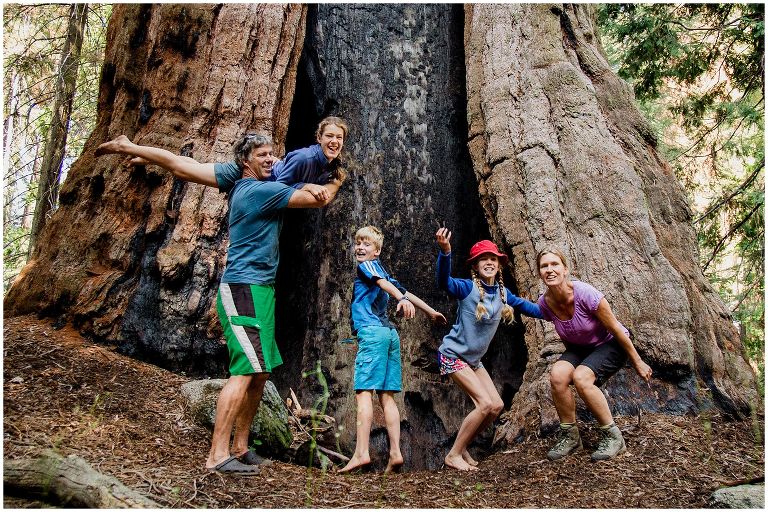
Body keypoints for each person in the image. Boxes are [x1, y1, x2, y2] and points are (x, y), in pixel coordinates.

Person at [96, 133, 346, 474]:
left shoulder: (242, 177)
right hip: (244, 289)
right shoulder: (259, 191)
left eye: (272, 154)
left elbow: (183, 166)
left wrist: (139, 151)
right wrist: (335, 181)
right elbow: (317, 201)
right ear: (245, 162)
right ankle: (217, 455)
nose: (271, 159)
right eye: (262, 155)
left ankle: (241, 446)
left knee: (260, 372)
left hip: (261, 289)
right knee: (243, 372)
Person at [340, 226, 446, 474]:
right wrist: (430, 311)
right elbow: (403, 290)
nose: (360, 247)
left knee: (364, 393)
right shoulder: (382, 272)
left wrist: (402, 299)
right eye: (358, 243)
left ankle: (361, 453)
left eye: (366, 244)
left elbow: (392, 289)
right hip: (390, 335)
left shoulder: (368, 267)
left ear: (376, 251)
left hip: (372, 333)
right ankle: (396, 453)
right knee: (386, 396)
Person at [434, 227, 543, 471]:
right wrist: (445, 252)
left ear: (499, 264)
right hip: (452, 355)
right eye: (483, 259)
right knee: (483, 404)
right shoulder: (467, 288)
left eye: (493, 258)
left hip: (474, 361)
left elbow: (531, 309)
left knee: (495, 406)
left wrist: (560, 310)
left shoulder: (503, 294)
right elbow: (443, 282)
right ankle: (453, 455)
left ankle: (462, 447)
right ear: (475, 266)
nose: (489, 262)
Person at [536, 247, 652, 461]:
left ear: (565, 269)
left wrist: (638, 361)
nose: (550, 270)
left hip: (611, 343)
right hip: (580, 348)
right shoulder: (545, 303)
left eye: (555, 264)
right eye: (544, 266)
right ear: (540, 273)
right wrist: (572, 358)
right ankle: (571, 437)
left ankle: (614, 437)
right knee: (558, 375)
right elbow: (566, 331)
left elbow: (615, 328)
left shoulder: (585, 293)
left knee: (581, 377)